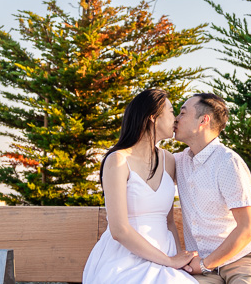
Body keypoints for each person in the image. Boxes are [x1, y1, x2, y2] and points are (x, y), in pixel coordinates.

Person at [83, 88, 198, 284]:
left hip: (165, 252)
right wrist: (170, 261)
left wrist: (180, 259)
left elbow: (169, 222)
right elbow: (119, 230)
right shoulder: (118, 160)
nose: (176, 119)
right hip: (124, 258)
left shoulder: (168, 161)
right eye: (171, 112)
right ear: (153, 117)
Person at [172, 93, 251, 283]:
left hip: (243, 260)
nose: (175, 119)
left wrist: (205, 264)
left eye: (182, 113)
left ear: (203, 120)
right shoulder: (179, 162)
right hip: (203, 268)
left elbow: (248, 228)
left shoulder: (228, 162)